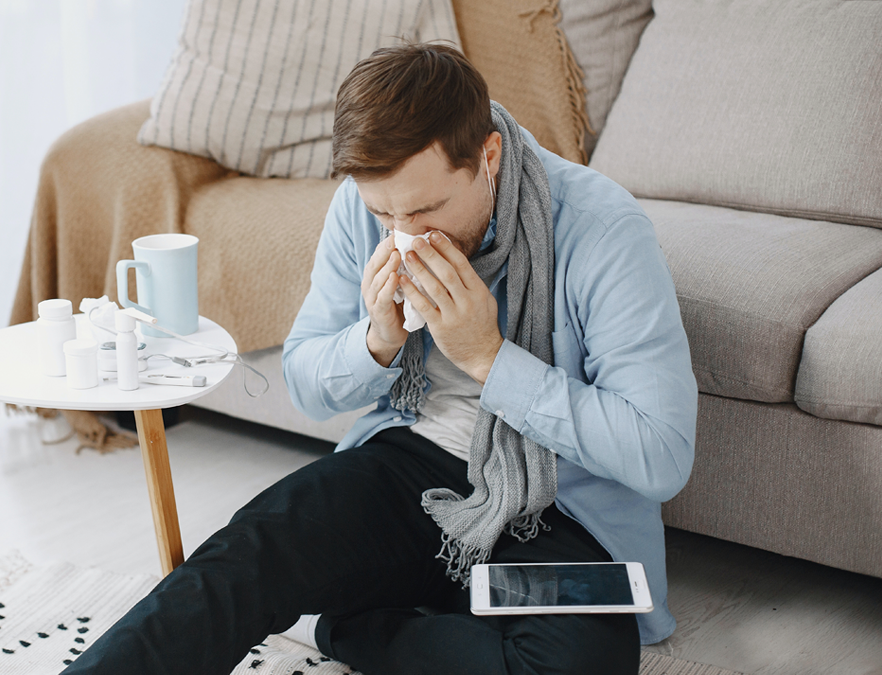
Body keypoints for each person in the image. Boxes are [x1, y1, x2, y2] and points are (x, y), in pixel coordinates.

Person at [61, 42, 697, 675]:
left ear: (488, 157)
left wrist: (490, 358)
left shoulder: (602, 230)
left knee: (582, 663)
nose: (405, 233)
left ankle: (362, 625)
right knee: (247, 556)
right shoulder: (368, 207)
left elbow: (662, 456)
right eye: (383, 212)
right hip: (411, 467)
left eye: (426, 210)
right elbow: (307, 384)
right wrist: (376, 339)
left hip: (556, 502)